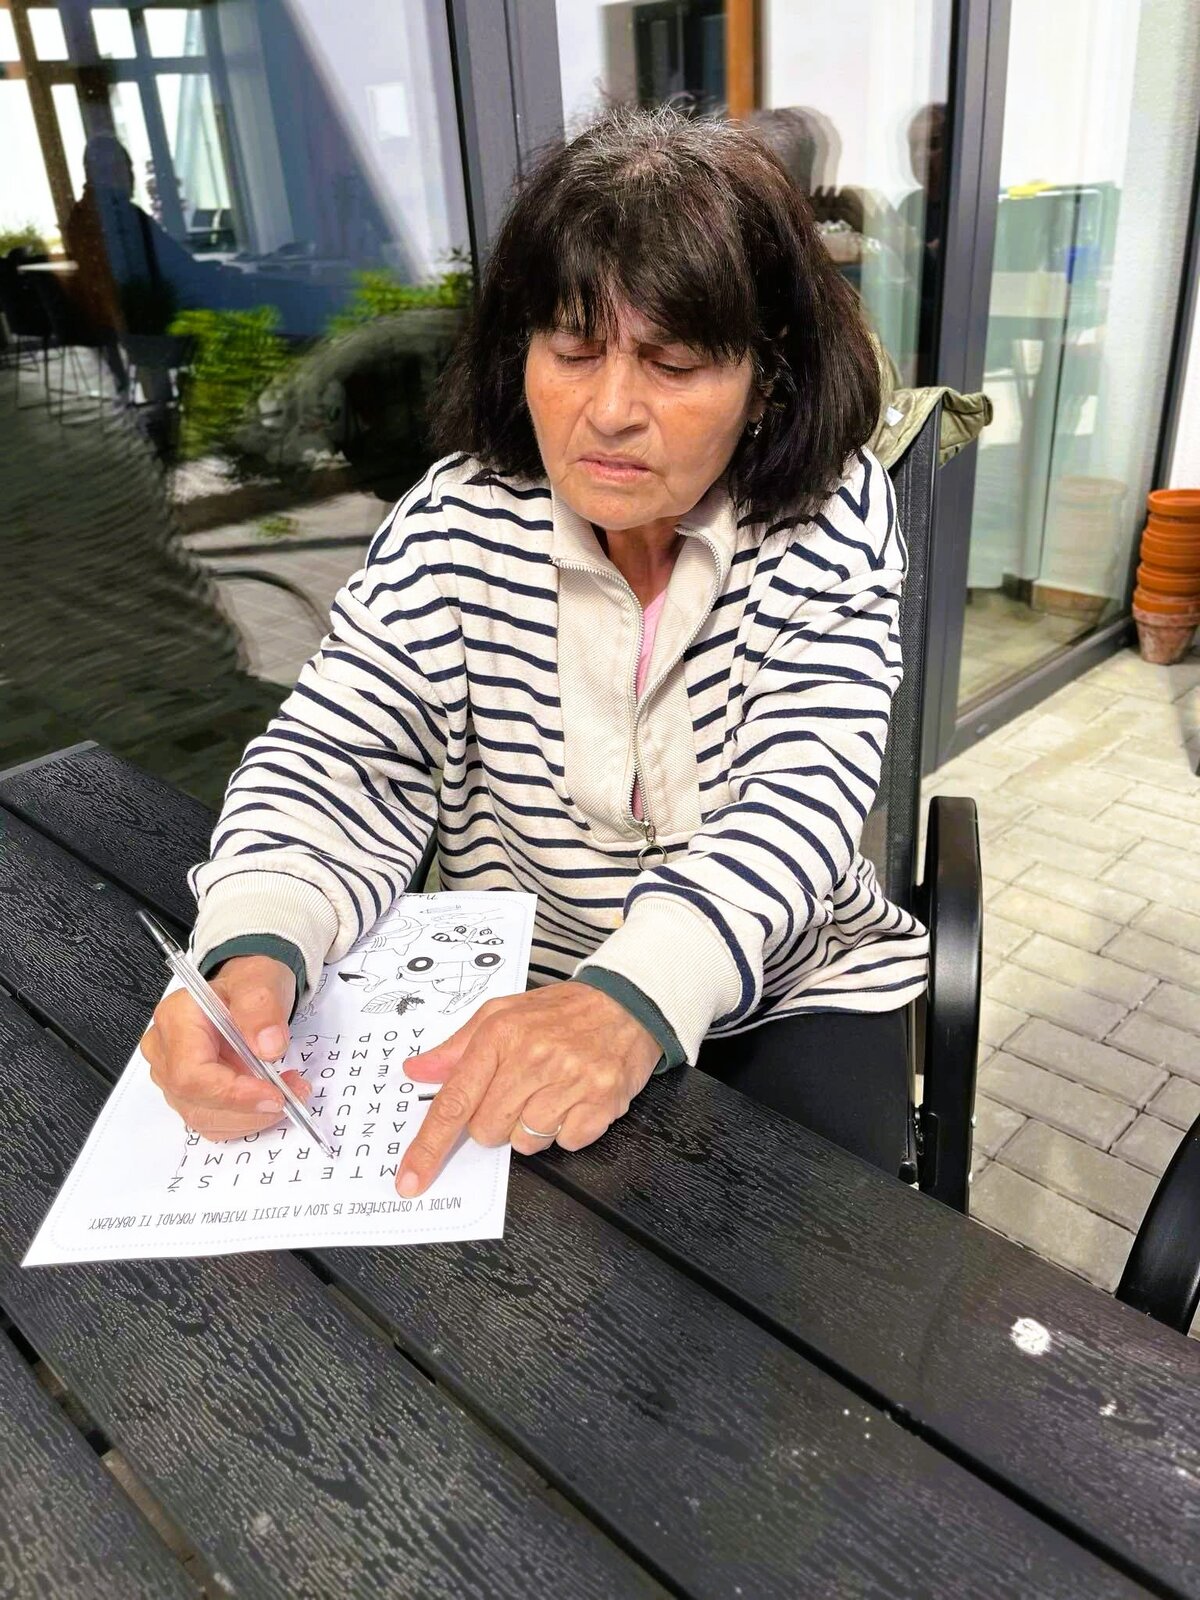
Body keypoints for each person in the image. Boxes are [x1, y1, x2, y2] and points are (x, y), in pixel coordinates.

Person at [141, 106, 929, 1194]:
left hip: (786, 983)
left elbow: (801, 794)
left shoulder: (829, 515)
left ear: (768, 378)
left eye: (674, 362)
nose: (610, 410)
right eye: (573, 349)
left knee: (817, 1257)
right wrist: (254, 941)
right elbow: (341, 759)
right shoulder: (455, 522)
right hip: (521, 984)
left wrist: (632, 999)